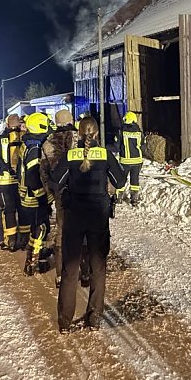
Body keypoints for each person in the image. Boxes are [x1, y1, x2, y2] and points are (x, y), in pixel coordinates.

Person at [51, 116, 126, 332]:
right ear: (96, 134)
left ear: (80, 133)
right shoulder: (105, 154)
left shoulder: (70, 155)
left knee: (70, 269)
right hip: (98, 215)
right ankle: (94, 318)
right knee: (98, 267)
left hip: (74, 214)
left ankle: (65, 321)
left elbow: (56, 180)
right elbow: (120, 181)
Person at [40, 108, 78, 286]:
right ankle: (84, 272)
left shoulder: (47, 143)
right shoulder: (82, 139)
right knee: (83, 231)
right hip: (82, 193)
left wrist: (51, 192)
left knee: (62, 233)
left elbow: (44, 172)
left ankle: (61, 275)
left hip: (61, 194)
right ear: (72, 120)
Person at [19, 112, 51, 275]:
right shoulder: (34, 148)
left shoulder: (29, 142)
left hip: (28, 196)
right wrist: (42, 196)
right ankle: (32, 261)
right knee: (41, 228)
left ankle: (41, 257)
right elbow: (33, 175)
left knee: (39, 227)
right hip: (34, 197)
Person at [0, 114, 22, 251]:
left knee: (8, 211)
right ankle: (24, 239)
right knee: (23, 210)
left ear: (7, 124)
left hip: (5, 180)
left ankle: (10, 241)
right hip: (22, 181)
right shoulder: (24, 137)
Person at [117, 111, 145, 206]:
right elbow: (142, 145)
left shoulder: (122, 130)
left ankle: (119, 198)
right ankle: (134, 199)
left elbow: (117, 144)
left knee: (121, 179)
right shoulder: (138, 131)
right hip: (137, 160)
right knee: (135, 180)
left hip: (125, 160)